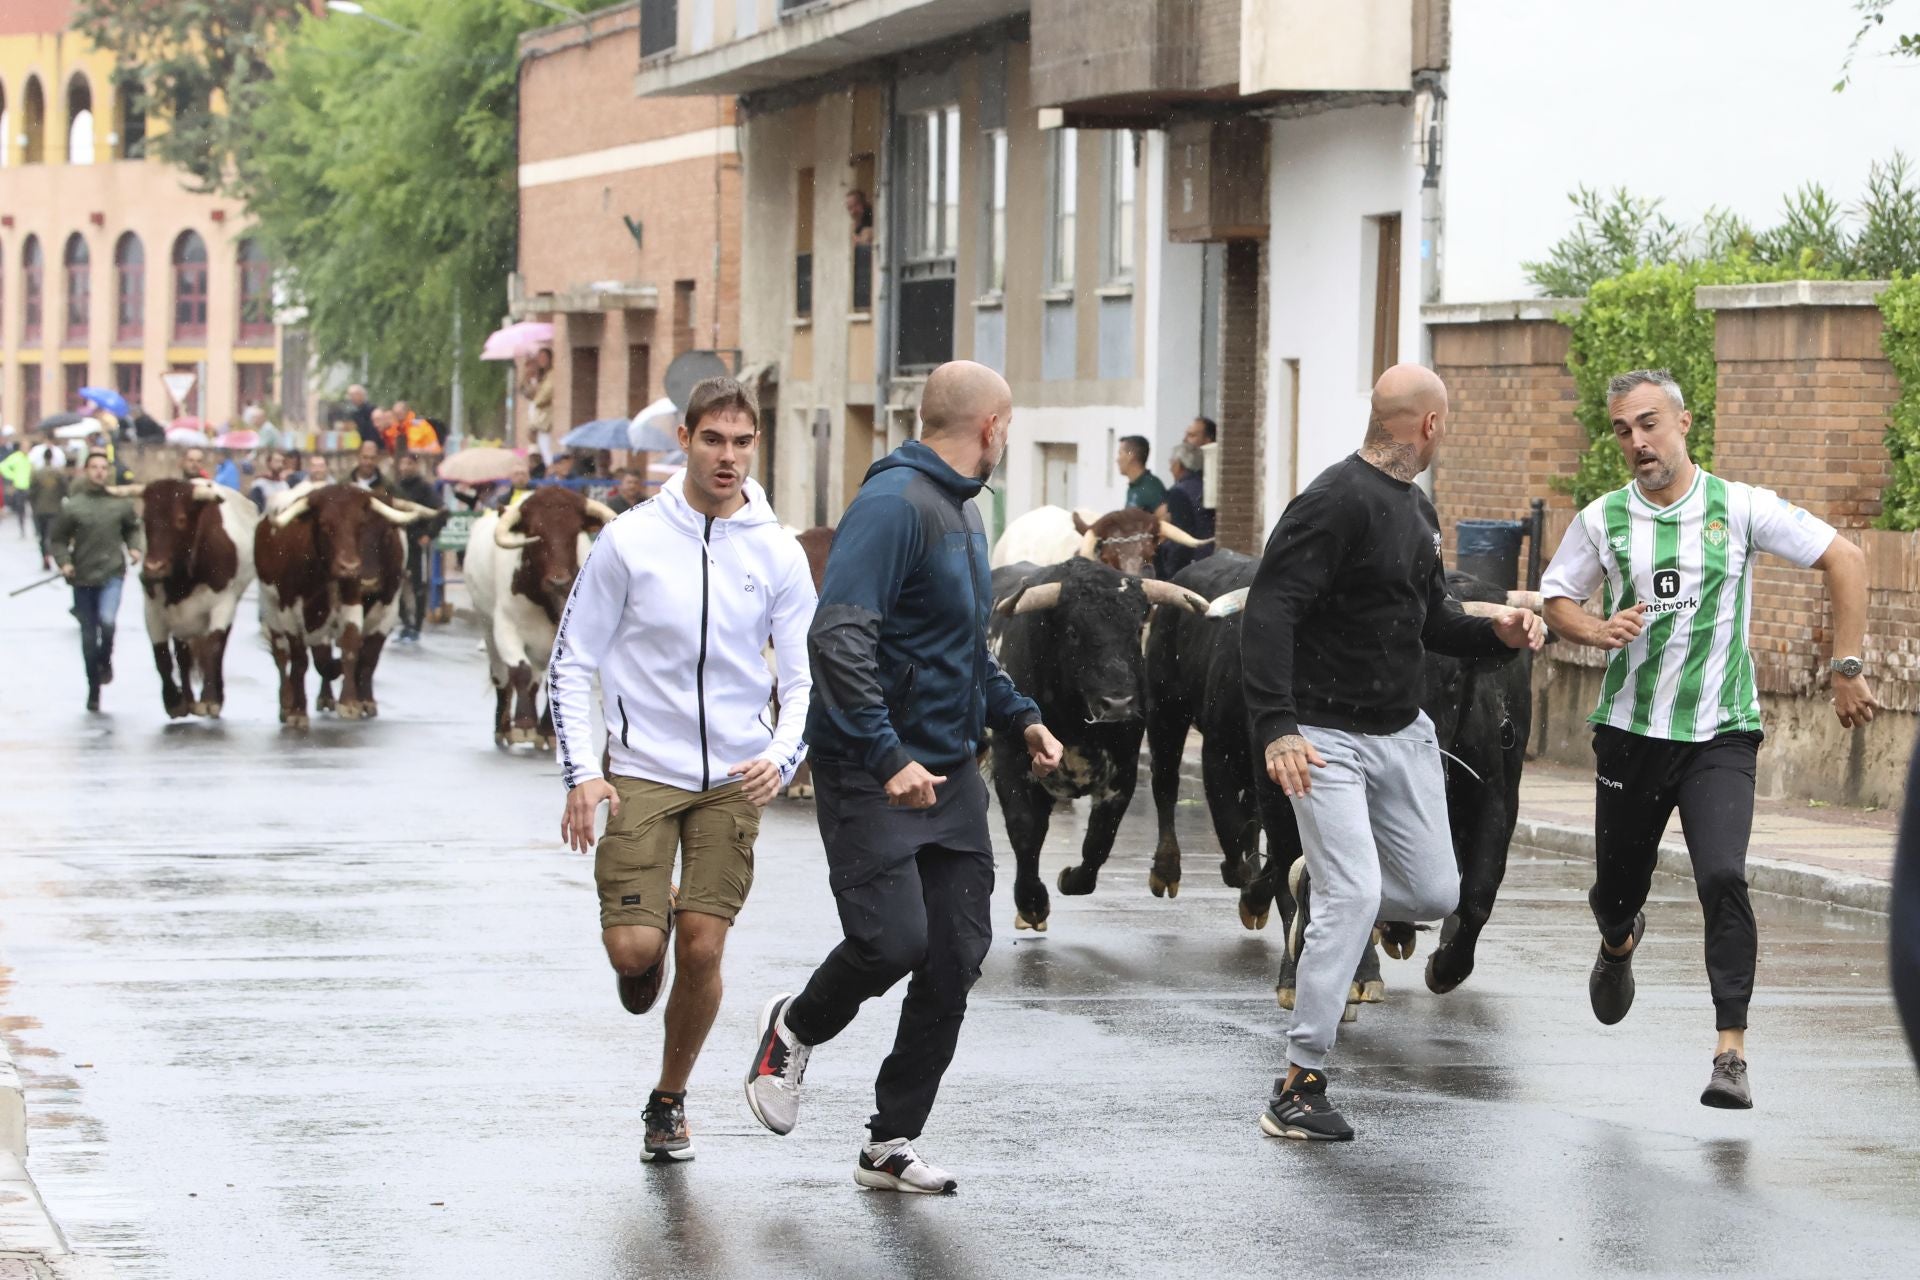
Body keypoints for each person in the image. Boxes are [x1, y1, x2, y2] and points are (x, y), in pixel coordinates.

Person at [744, 360, 1064, 1194]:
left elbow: (960, 650)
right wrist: (888, 756)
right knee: (893, 942)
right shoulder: (893, 507)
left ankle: (891, 1140)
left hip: (950, 774)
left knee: (954, 956)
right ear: (991, 427)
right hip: (871, 769)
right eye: (1010, 425)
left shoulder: (963, 509)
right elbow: (837, 640)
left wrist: (1020, 713)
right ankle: (794, 1027)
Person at [1539, 368, 1876, 1110]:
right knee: (1614, 892)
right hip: (1630, 733)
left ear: (1685, 423)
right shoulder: (1603, 520)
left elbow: (1845, 558)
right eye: (1624, 429)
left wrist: (1846, 665)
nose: (1637, 441)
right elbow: (1557, 596)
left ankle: (1731, 1053)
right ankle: (1618, 940)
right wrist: (1596, 628)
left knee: (1723, 877)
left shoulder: (1740, 507)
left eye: (1650, 423)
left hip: (1721, 733)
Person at [1242, 364, 1542, 1142]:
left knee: (1436, 894)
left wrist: (1495, 632)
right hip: (1325, 738)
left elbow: (1429, 618)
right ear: (1430, 426)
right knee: (1352, 900)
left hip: (1400, 732)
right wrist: (1277, 725)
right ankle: (1298, 1083)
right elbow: (1270, 609)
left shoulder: (1416, 509)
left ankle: (1324, 876)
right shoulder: (1333, 502)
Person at [550, 376, 817, 1164]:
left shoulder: (777, 551)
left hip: (736, 773)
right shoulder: (630, 540)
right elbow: (572, 662)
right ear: (686, 439)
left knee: (704, 946)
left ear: (755, 446)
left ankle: (668, 1100)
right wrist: (580, 772)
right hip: (642, 770)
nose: (728, 456)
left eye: (742, 442)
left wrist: (780, 755)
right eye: (713, 439)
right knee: (637, 957)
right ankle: (650, 921)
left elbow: (802, 681)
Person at [49, 452, 144, 713]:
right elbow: (57, 539)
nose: (100, 472)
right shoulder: (73, 506)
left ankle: (107, 658)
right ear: (86, 471)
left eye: (104, 468)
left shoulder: (120, 504)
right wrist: (64, 561)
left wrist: (135, 548)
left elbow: (133, 528)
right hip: (82, 577)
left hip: (112, 573)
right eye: (94, 467)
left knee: (108, 621)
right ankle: (94, 687)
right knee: (88, 638)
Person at [393, 453, 444, 643]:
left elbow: (441, 512)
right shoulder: (396, 487)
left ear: (416, 465)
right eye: (403, 462)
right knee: (396, 583)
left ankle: (417, 626)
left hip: (416, 543)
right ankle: (405, 623)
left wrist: (428, 535)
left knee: (418, 584)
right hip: (399, 540)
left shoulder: (424, 488)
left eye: (409, 463)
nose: (405, 467)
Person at [1157, 441, 1214, 578]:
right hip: (1208, 557)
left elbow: (1181, 534)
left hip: (1190, 564)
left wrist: (1171, 572)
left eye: (1171, 462)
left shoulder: (1179, 492)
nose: (1170, 467)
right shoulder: (1204, 486)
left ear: (1179, 465)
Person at [29, 455, 70, 568]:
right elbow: (66, 490)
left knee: (42, 536)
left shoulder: (36, 473)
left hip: (40, 510)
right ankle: (54, 557)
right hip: (55, 509)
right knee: (52, 535)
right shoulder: (58, 474)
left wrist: (34, 506)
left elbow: (32, 492)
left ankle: (45, 556)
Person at [1116, 435, 1166, 513]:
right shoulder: (1133, 485)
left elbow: (1164, 516)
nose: (1117, 460)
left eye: (1120, 453)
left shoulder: (1152, 486)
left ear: (1130, 455)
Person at [522, 350, 555, 441]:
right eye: (540, 358)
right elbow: (527, 394)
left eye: (544, 357)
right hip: (537, 415)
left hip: (544, 417)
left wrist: (537, 399)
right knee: (537, 443)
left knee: (543, 444)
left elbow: (544, 396)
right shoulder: (538, 377)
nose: (542, 360)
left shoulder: (550, 376)